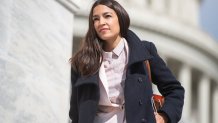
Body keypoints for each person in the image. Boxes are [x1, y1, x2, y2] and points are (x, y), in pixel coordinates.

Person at [69, 0, 184, 123]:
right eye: (96, 19)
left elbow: (175, 90)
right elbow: (76, 111)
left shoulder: (143, 52)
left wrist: (164, 117)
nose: (101, 22)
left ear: (120, 18)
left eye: (107, 16)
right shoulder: (82, 62)